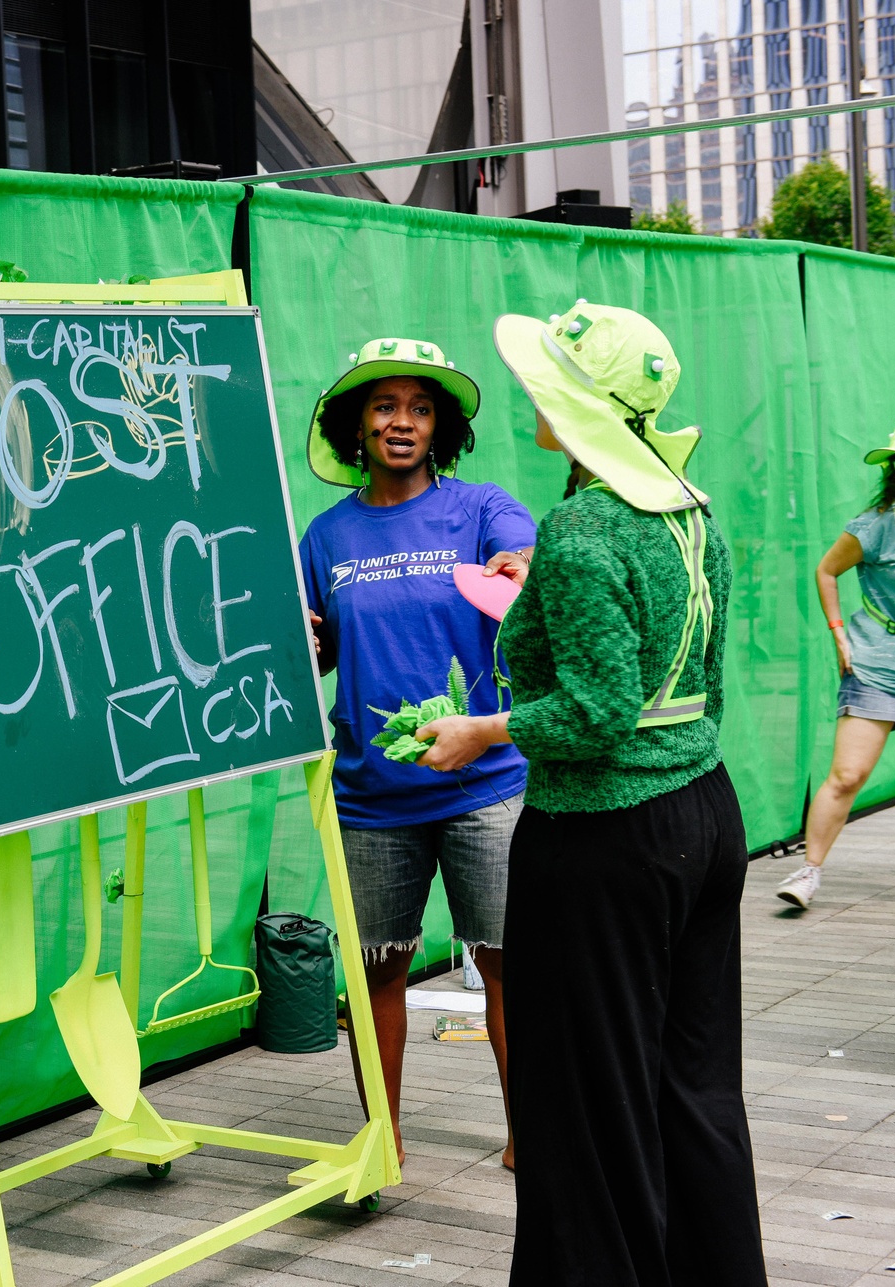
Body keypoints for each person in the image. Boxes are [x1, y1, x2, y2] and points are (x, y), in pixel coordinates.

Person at [420, 301, 765, 1286]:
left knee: (584, 1096)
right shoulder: (684, 507)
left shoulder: (578, 527)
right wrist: (542, 589)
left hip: (604, 833)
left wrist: (477, 729)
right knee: (693, 1085)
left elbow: (594, 712)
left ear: (570, 400)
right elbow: (688, 666)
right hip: (703, 808)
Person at [296, 337, 536, 1169]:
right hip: (372, 794)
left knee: (512, 967)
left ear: (442, 428)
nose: (403, 421)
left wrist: (522, 565)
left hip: (485, 784)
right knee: (376, 973)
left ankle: (527, 1136)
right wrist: (305, 640)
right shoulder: (325, 536)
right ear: (354, 425)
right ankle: (381, 1141)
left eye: (421, 407)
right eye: (385, 405)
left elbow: (525, 558)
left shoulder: (481, 509)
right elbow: (317, 654)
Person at [775, 417, 895, 910]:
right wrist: (839, 635)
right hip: (878, 664)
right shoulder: (877, 523)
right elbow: (826, 570)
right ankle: (807, 873)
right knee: (846, 775)